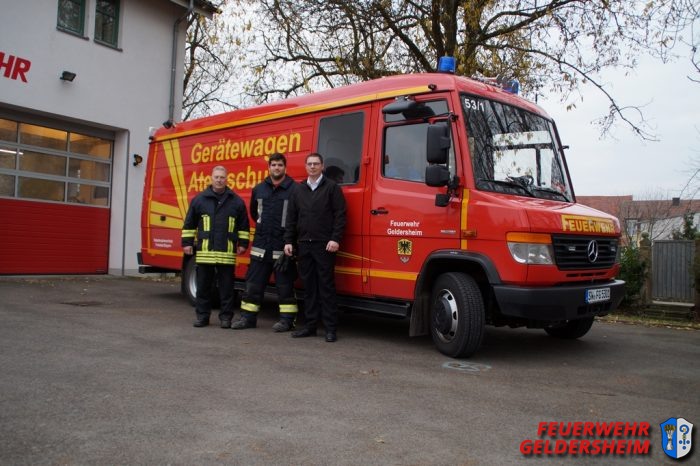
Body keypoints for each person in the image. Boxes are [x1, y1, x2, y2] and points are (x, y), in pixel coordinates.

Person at [284, 152, 347, 342]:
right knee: (309, 287)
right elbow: (291, 218)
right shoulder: (298, 190)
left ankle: (330, 329)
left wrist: (335, 239)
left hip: (324, 246)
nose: (312, 167)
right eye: (309, 164)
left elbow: (340, 215)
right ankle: (310, 326)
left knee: (326, 287)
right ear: (305, 167)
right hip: (304, 245)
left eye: (316, 164)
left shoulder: (332, 188)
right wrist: (288, 241)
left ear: (322, 166)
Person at [233, 153, 299, 332]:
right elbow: (255, 214)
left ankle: (287, 321)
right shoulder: (259, 189)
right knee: (253, 285)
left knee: (285, 287)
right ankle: (247, 318)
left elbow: (298, 218)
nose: (276, 168)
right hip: (261, 246)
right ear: (268, 167)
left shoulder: (295, 189)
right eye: (273, 165)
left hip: (282, 247)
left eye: (279, 165)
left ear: (285, 167)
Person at [182, 165, 250, 328]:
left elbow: (244, 226)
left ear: (227, 179)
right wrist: (187, 243)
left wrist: (243, 244)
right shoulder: (199, 200)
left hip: (226, 253)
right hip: (205, 252)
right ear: (211, 178)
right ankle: (202, 317)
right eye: (216, 177)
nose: (219, 180)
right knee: (204, 287)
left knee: (227, 290)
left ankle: (226, 318)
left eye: (222, 177)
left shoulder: (236, 201)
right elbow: (189, 223)